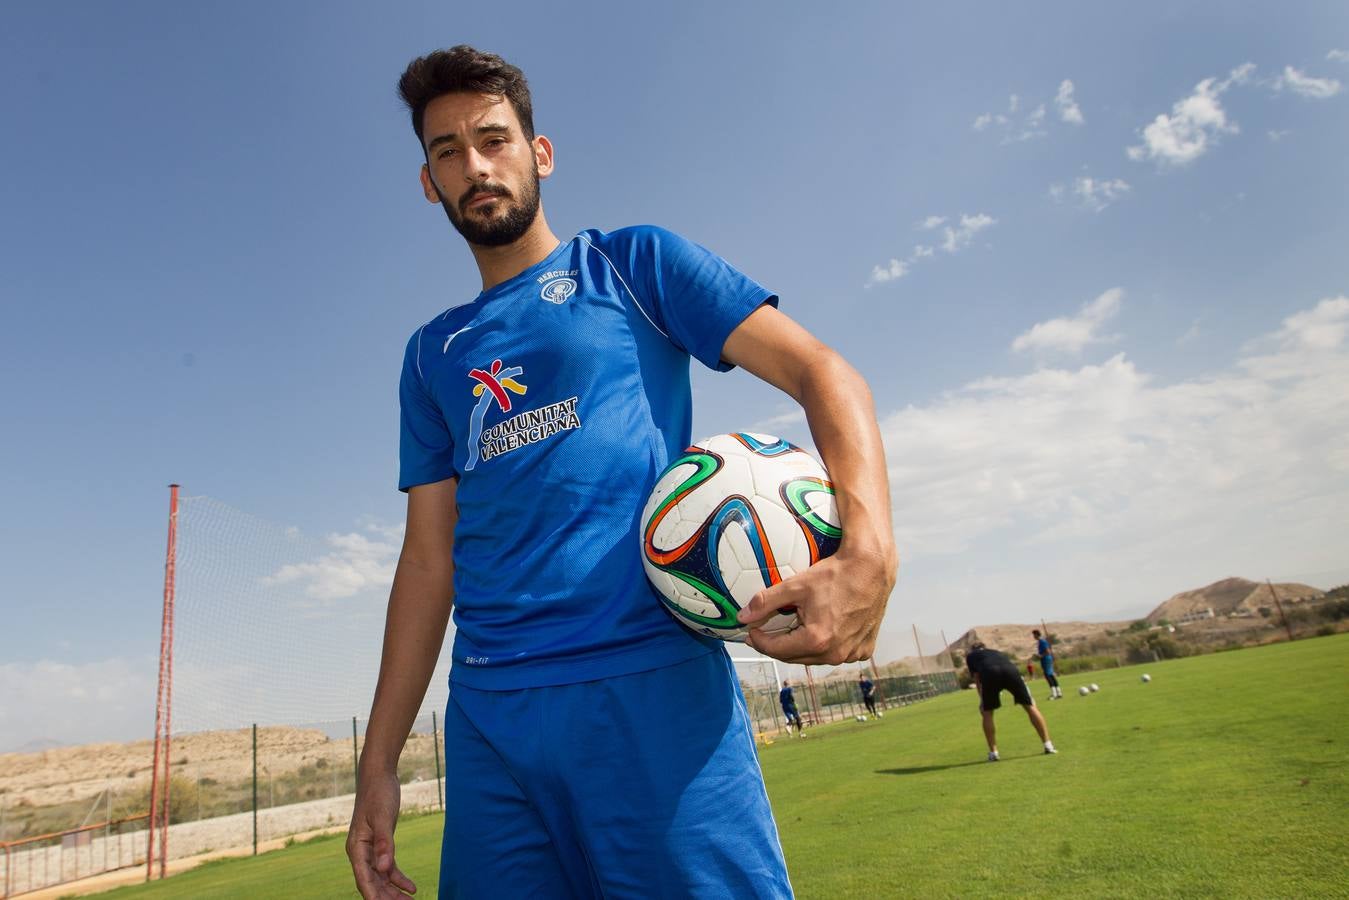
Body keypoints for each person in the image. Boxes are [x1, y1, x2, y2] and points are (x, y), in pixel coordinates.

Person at [345, 46, 897, 900]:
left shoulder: (633, 266)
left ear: (541, 153)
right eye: (447, 151)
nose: (475, 165)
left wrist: (869, 554)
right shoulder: (431, 354)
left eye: (493, 139)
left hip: (651, 686)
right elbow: (427, 560)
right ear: (429, 183)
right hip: (490, 718)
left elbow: (824, 372)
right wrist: (377, 765)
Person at [965, 641, 1056, 761]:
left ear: (973, 650)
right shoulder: (996, 652)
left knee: (987, 713)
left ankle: (994, 753)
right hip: (1011, 671)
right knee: (1030, 706)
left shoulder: (971, 656)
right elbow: (1007, 665)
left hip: (990, 673)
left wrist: (982, 700)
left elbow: (977, 679)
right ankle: (1048, 745)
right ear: (985, 648)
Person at [1033, 629, 1063, 699]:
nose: (1033, 636)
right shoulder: (1041, 641)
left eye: (1034, 635)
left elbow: (1048, 651)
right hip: (1047, 659)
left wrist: (1040, 656)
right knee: (1051, 675)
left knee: (1048, 676)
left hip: (1046, 659)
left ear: (1037, 635)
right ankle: (1059, 693)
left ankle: (1054, 694)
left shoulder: (1042, 641)